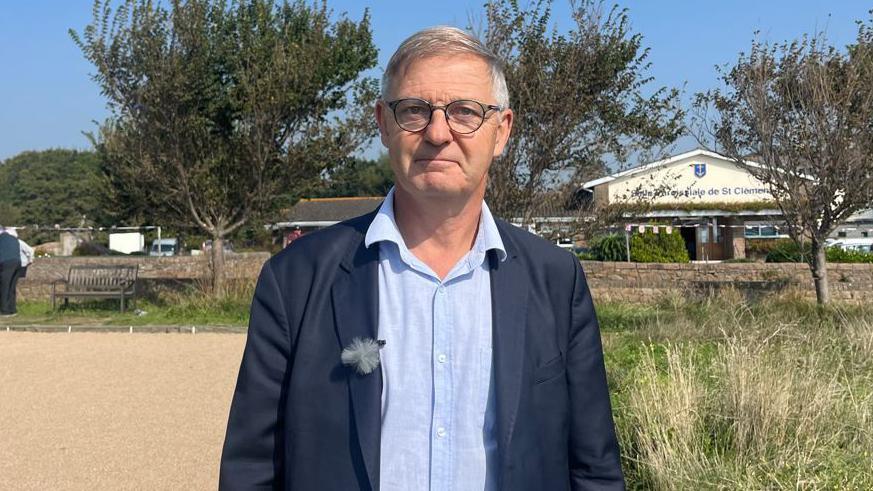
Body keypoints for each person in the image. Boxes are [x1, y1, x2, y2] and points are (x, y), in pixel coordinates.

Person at [220, 26, 624, 490]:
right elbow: (251, 470)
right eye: (414, 110)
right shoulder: (295, 280)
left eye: (465, 112)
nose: (438, 132)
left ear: (502, 131)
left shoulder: (556, 280)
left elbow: (593, 469)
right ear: (383, 123)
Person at [0, 227, 22, 317]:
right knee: (11, 287)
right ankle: (12, 309)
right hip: (17, 263)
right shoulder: (13, 239)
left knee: (4, 287)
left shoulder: (1, 240)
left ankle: (4, 311)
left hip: (7, 263)